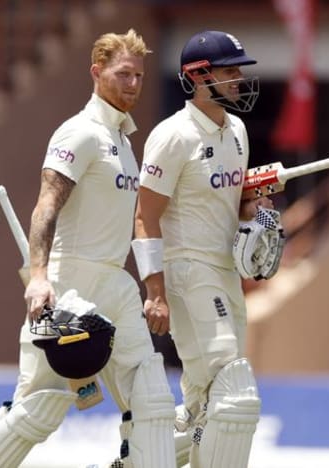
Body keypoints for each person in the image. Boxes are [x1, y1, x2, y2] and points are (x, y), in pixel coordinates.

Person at [0, 29, 176, 468]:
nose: (133, 84)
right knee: (37, 409)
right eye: (122, 74)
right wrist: (40, 277)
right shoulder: (79, 133)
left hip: (117, 284)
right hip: (69, 286)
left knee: (153, 404)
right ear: (96, 73)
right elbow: (46, 205)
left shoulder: (124, 142)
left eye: (138, 75)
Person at [132, 30, 273, 468]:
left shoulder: (238, 130)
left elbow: (233, 203)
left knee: (202, 404)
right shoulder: (173, 135)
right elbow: (143, 216)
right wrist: (154, 292)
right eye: (230, 71)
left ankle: (136, 461)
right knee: (233, 389)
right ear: (198, 76)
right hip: (187, 270)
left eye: (239, 71)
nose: (238, 80)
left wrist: (256, 208)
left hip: (226, 272)